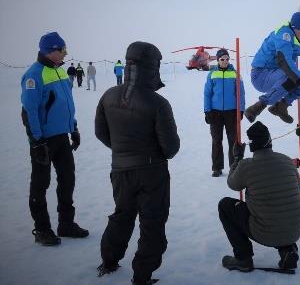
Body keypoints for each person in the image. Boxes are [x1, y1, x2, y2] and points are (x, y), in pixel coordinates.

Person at [95, 41, 180, 285]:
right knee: (152, 222)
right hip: (152, 172)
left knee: (121, 215)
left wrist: (123, 151)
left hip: (121, 169)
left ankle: (109, 261)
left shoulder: (108, 95)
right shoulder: (157, 103)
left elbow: (101, 133)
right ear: (153, 67)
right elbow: (171, 148)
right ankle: (142, 275)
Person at [20, 32, 89, 246]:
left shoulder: (59, 72)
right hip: (44, 140)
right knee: (41, 184)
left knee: (67, 180)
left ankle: (66, 224)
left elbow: (67, 105)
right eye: (62, 50)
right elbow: (29, 111)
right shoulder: (34, 75)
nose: (65, 53)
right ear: (51, 50)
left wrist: (74, 128)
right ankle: (42, 229)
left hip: (62, 137)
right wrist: (37, 141)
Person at [219, 121, 300, 272]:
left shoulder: (247, 165)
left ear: (251, 145)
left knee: (225, 205)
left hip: (266, 232)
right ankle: (287, 250)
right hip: (295, 230)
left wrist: (237, 158)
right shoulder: (287, 160)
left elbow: (232, 184)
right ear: (269, 141)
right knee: (279, 207)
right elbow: (298, 190)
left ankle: (243, 258)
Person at [204, 48, 245, 177]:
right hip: (215, 112)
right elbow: (207, 94)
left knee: (233, 140)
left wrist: (241, 109)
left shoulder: (235, 73)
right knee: (216, 140)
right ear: (218, 60)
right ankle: (217, 167)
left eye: (227, 59)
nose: (225, 61)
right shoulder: (212, 74)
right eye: (222, 59)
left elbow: (241, 93)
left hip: (231, 112)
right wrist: (207, 111)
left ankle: (234, 167)